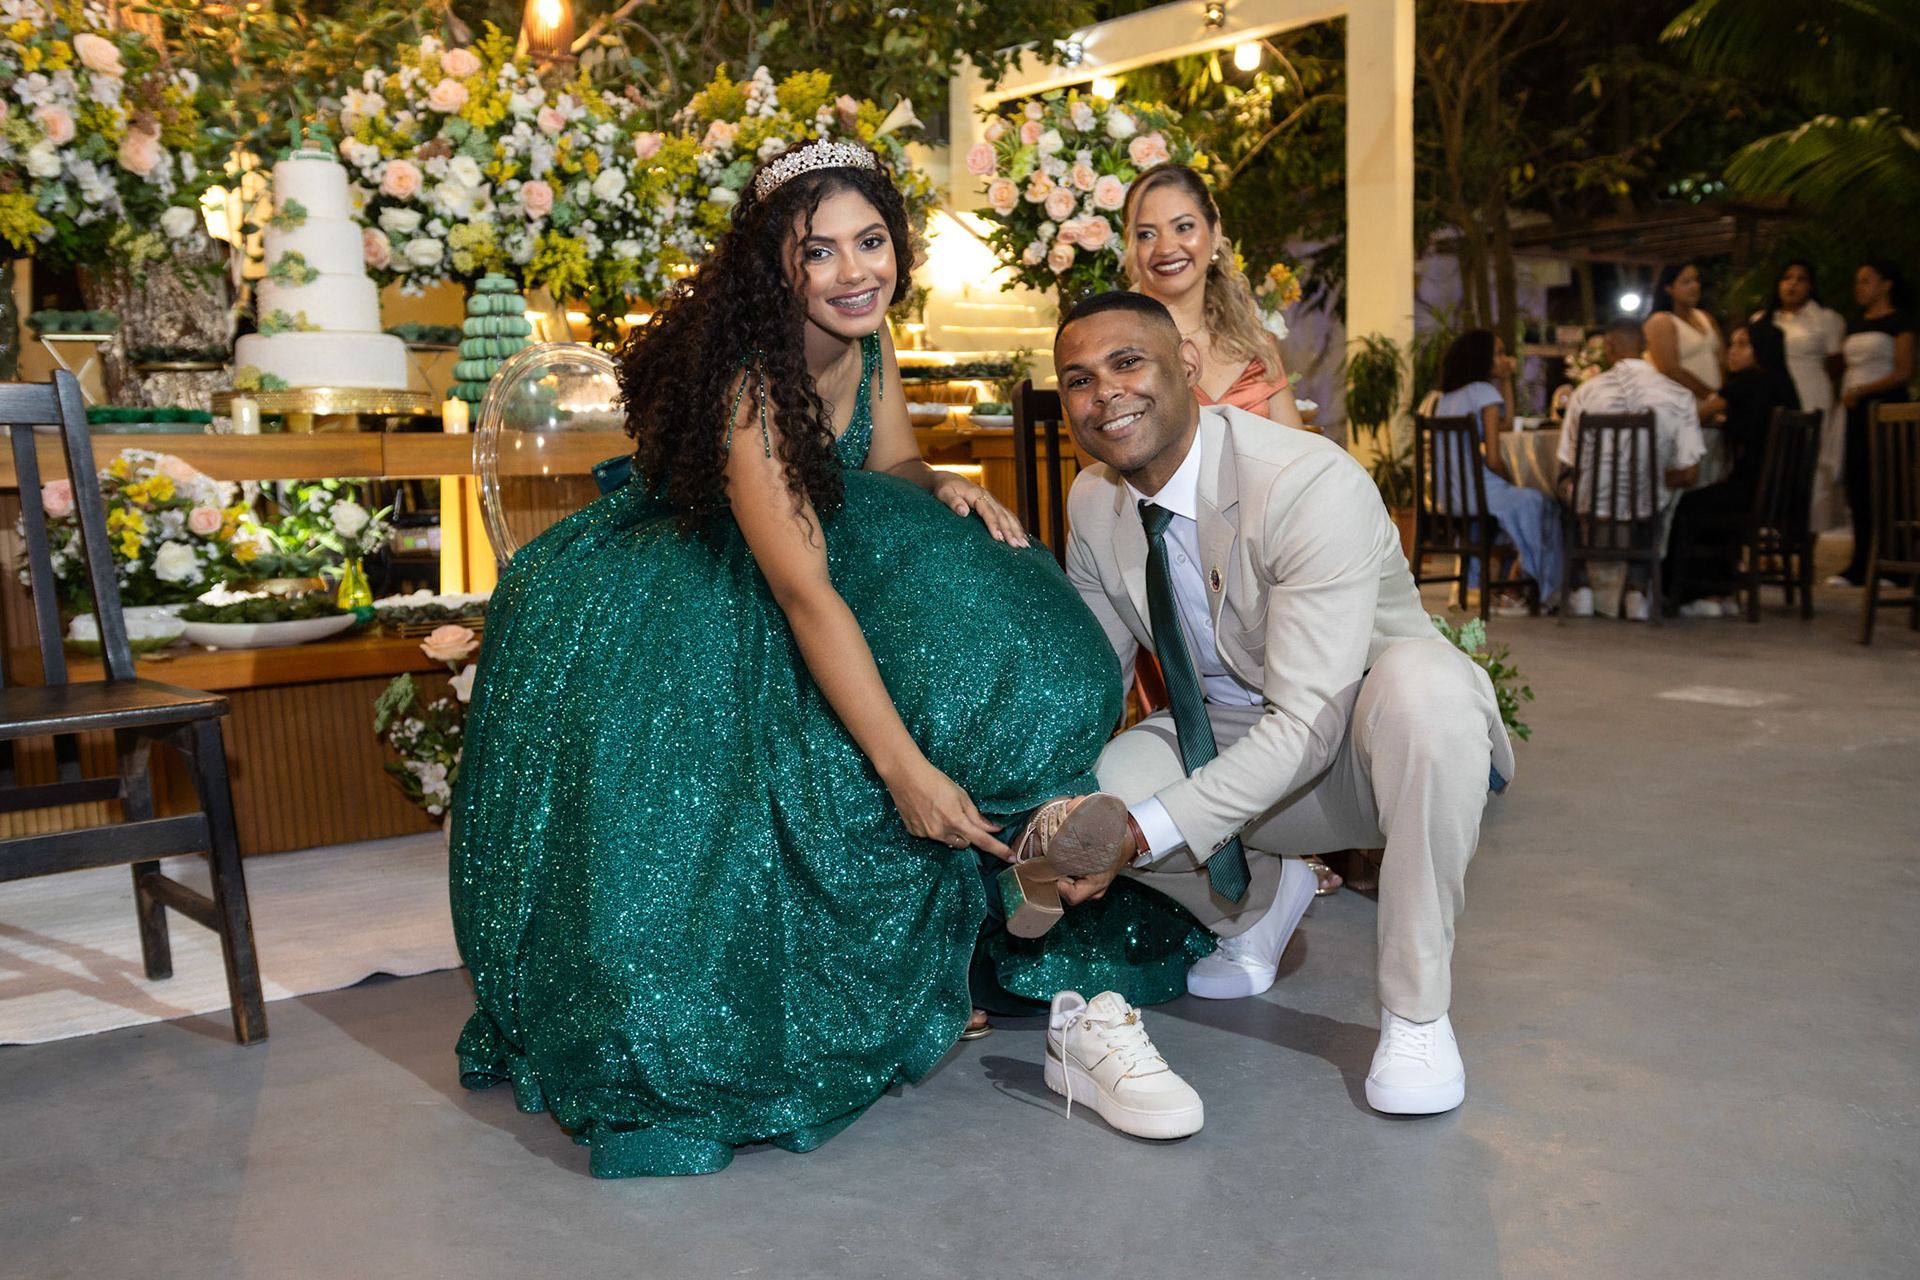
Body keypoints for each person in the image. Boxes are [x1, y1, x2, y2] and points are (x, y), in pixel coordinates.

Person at [448, 141, 1200, 1177]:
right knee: (792, 782)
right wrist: (906, 772)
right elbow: (805, 594)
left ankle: (1023, 865)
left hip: (834, 545)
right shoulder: (753, 386)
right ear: (776, 266)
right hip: (712, 581)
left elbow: (888, 461)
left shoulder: (869, 334)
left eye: (871, 241)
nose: (855, 271)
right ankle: (932, 924)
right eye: (820, 251)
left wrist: (939, 483)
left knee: (1004, 612)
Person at [1049, 291, 1515, 1117]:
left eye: (1127, 363)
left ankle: (1416, 1014)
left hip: (1364, 742)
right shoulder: (1093, 502)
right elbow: (1092, 685)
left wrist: (1139, 833)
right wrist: (1046, 805)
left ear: (1187, 365)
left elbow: (1309, 723)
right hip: (1224, 736)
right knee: (1099, 786)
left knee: (1430, 688)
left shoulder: (1304, 482)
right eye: (1079, 379)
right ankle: (1259, 910)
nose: (1105, 393)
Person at [1123, 163, 1307, 427]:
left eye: (1183, 227)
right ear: (1131, 246)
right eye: (1147, 234)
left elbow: (1297, 448)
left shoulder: (1255, 344)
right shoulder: (1117, 351)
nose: (1165, 248)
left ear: (1215, 233)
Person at [1557, 317, 1706, 621]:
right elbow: (1690, 474)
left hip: (1591, 503)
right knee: (1656, 495)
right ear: (1645, 346)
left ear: (1609, 349)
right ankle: (1637, 590)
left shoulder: (1585, 393)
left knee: (1560, 489)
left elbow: (1571, 461)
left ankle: (1581, 587)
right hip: (1646, 505)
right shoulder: (1680, 396)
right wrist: (1652, 477)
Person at [1666, 322, 1800, 616]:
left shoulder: (1749, 381)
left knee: (1687, 505)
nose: (1731, 351)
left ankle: (1699, 594)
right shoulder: (1783, 385)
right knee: (1712, 500)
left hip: (1751, 493)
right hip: (1779, 495)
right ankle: (1723, 592)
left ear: (1761, 350)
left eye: (1743, 345)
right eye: (1732, 343)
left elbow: (1698, 415)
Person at [1432, 329, 1565, 610]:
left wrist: (1505, 380)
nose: (1507, 359)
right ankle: (1523, 589)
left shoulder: (1445, 399)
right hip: (1479, 493)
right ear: (1482, 358)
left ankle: (1497, 586)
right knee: (1542, 503)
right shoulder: (1484, 392)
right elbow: (1493, 459)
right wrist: (1510, 481)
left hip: (1450, 495)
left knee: (1519, 507)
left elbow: (1502, 425)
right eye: (1500, 353)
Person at [1831, 262, 1917, 587]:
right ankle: (1861, 562)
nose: (1860, 286)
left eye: (1866, 280)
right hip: (1854, 411)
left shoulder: (1901, 322)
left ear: (1886, 284)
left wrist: (1864, 390)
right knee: (1859, 485)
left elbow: (1904, 371)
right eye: (1858, 281)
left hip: (1885, 409)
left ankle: (1895, 564)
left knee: (1888, 484)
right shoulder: (1855, 323)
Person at [1754, 261, 1846, 531]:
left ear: (1811, 286)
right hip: (1772, 394)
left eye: (1800, 279)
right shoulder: (1762, 320)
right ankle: (1772, 525)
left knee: (1812, 457)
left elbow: (1837, 361)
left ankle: (1810, 528)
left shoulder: (1826, 318)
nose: (1792, 284)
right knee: (1774, 455)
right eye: (1787, 278)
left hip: (1812, 391)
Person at [1645, 262, 1726, 420]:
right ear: (1669, 288)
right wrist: (1710, 395)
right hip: (1684, 408)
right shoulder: (1661, 321)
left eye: (1696, 280)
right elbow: (1670, 370)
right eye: (1686, 282)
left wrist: (1721, 396)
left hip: (1716, 406)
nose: (1695, 286)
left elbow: (1722, 360)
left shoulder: (1706, 317)